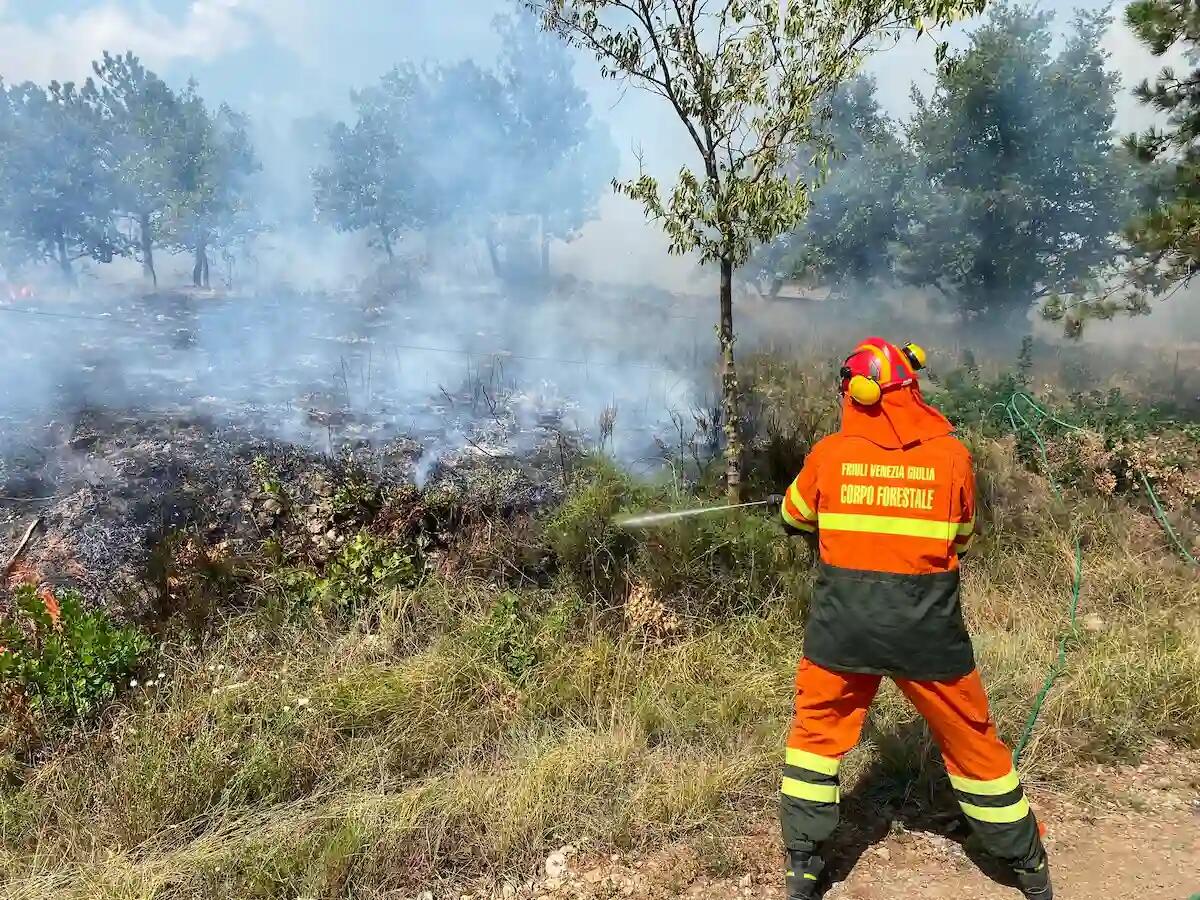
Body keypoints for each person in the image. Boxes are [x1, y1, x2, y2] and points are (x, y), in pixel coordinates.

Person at [775, 337, 1052, 900]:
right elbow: (964, 537)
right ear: (911, 393)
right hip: (928, 634)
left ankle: (804, 865)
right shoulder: (951, 457)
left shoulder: (829, 454)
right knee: (975, 744)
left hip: (842, 631)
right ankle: (1028, 867)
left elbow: (793, 517)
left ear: (857, 394)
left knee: (814, 740)